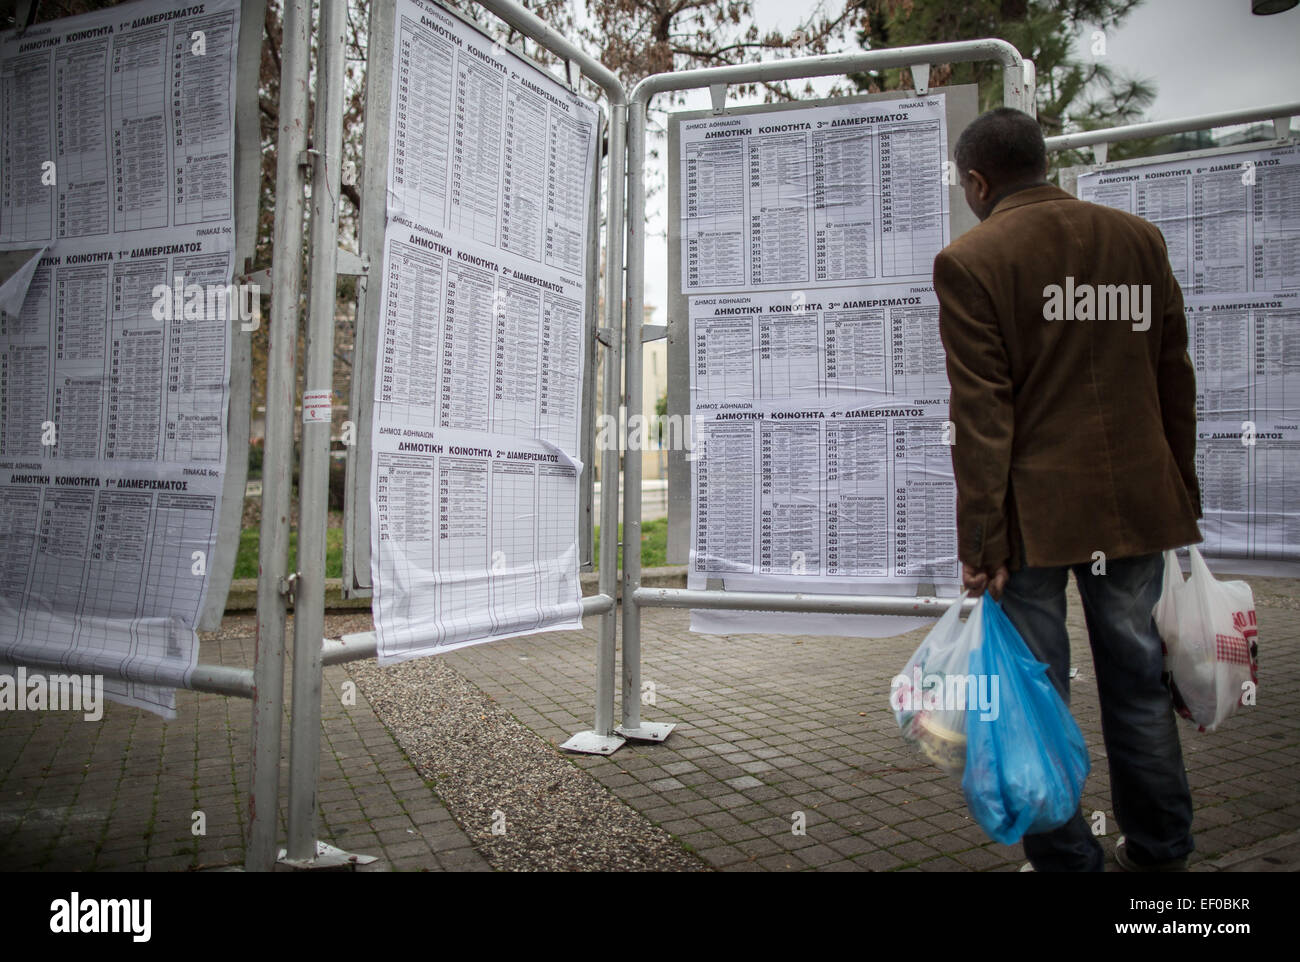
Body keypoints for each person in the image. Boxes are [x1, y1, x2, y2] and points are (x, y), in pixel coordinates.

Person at [933, 107, 1202, 872]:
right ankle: (1160, 854)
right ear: (1042, 163)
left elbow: (983, 414)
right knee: (1142, 689)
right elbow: (1173, 376)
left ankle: (1068, 862)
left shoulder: (972, 259)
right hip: (1135, 508)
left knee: (1033, 702)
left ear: (978, 182)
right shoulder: (1138, 240)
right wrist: (1180, 492)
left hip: (1033, 524)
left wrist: (982, 543)